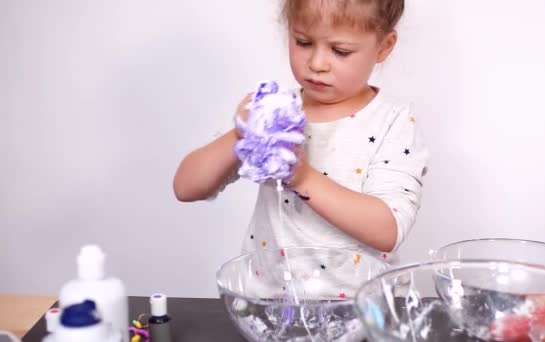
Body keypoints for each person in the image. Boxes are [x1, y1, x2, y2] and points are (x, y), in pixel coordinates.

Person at [173, 0, 429, 263]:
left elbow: (388, 231)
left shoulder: (393, 122)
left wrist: (302, 177)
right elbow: (186, 188)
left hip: (359, 301)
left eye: (340, 51)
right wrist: (242, 134)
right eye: (303, 42)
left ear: (384, 47)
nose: (317, 63)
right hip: (268, 298)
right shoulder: (279, 113)